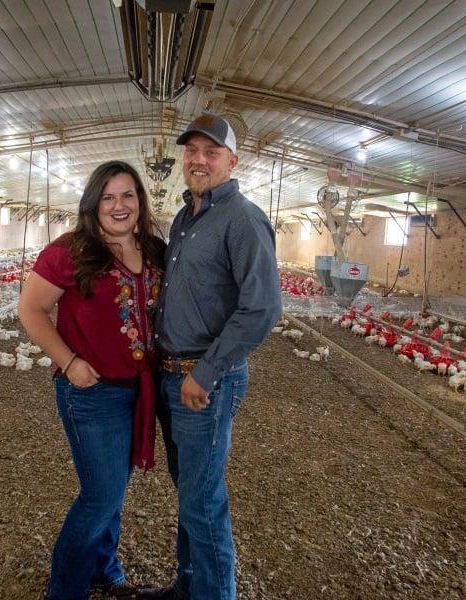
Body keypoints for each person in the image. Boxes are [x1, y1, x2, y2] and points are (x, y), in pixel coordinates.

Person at [139, 114, 282, 599]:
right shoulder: (185, 218)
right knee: (190, 496)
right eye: (192, 151)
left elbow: (262, 307)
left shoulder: (242, 219)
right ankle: (189, 585)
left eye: (211, 152)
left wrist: (208, 370)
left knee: (201, 501)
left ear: (232, 162)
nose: (198, 160)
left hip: (205, 382)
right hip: (173, 376)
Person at [17, 160, 166, 600]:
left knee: (114, 490)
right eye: (108, 197)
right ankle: (64, 591)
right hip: (91, 391)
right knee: (100, 496)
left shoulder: (155, 251)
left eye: (128, 195)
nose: (119, 206)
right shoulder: (70, 251)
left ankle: (103, 570)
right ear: (93, 203)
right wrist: (69, 361)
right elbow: (30, 310)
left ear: (140, 199)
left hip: (137, 389)